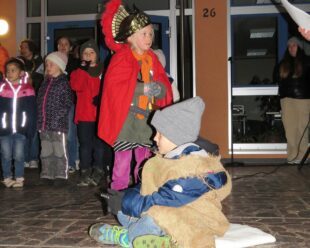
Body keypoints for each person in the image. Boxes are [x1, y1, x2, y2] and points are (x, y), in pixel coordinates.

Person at [89, 97, 232, 248]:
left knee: (153, 218)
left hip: (197, 219)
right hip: (171, 211)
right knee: (124, 212)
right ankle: (149, 236)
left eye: (160, 134)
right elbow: (147, 188)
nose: (154, 138)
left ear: (175, 138)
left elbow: (163, 199)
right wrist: (122, 197)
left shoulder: (196, 170)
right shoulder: (168, 159)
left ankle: (129, 238)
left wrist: (125, 202)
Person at [98, 0, 173, 191]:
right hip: (126, 120)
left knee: (145, 160)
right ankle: (118, 195)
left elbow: (163, 84)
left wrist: (160, 90)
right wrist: (144, 88)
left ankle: (144, 192)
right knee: (122, 160)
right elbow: (115, 87)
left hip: (146, 120)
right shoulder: (121, 58)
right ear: (130, 37)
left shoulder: (152, 58)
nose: (149, 37)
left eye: (150, 33)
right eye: (144, 34)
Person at [70, 39, 111, 187]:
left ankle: (98, 169)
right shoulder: (77, 72)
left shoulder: (104, 71)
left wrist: (102, 97)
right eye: (85, 53)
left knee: (99, 145)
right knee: (85, 145)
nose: (88, 55)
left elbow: (110, 89)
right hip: (84, 115)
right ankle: (85, 170)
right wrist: (82, 70)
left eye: (91, 52)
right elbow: (76, 86)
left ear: (97, 55)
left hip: (100, 115)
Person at [36, 51, 73, 186]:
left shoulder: (63, 84)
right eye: (47, 64)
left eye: (52, 64)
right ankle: (47, 173)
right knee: (45, 151)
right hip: (44, 124)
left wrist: (58, 117)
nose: (48, 66)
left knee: (59, 151)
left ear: (60, 66)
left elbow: (67, 103)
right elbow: (39, 102)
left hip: (57, 125)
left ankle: (61, 174)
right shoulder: (44, 83)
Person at [0, 58, 36, 188]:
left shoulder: (28, 89)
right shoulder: (2, 88)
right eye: (8, 71)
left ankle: (19, 177)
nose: (9, 73)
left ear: (21, 73)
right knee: (6, 155)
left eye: (13, 70)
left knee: (19, 155)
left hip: (21, 129)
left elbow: (32, 110)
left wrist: (30, 127)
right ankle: (7, 177)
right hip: (4, 129)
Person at [274, 37, 310, 164]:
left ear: (299, 47)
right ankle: (292, 155)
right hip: (286, 100)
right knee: (289, 129)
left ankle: (302, 156)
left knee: (302, 128)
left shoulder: (307, 61)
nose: (291, 48)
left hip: (303, 99)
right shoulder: (283, 64)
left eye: (294, 45)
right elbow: (279, 82)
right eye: (289, 46)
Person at [19, 39, 44, 169]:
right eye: (21, 47)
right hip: (20, 98)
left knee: (33, 128)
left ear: (31, 49)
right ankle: (24, 157)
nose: (22, 49)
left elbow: (41, 79)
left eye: (25, 47)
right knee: (22, 127)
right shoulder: (18, 62)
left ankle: (33, 157)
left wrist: (31, 81)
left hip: (35, 98)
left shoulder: (40, 62)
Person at [56, 36, 80, 173]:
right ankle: (61, 162)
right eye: (60, 44)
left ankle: (72, 161)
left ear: (70, 47)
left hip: (71, 102)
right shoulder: (52, 61)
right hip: (57, 103)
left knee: (71, 134)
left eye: (66, 44)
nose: (63, 46)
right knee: (58, 136)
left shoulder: (75, 62)